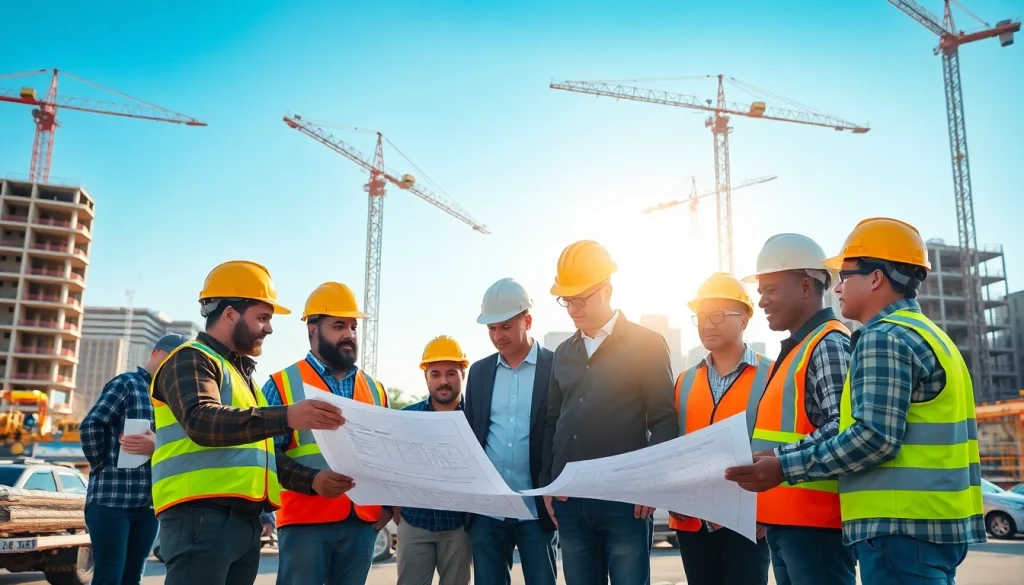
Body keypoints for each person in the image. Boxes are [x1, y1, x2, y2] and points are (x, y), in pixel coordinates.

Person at [726, 217, 986, 585]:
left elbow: (873, 437)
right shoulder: (933, 336)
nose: (837, 287)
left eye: (845, 276)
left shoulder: (884, 337)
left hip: (898, 528)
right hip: (937, 524)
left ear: (876, 278)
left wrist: (784, 466)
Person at [149, 260, 345, 585]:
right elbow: (201, 420)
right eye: (263, 318)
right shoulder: (190, 358)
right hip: (200, 518)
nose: (269, 328)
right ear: (229, 315)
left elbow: (260, 455)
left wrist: (313, 480)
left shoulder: (246, 382)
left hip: (242, 524)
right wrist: (287, 416)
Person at [541, 240, 678, 585]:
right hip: (570, 499)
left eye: (580, 299)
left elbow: (663, 419)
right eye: (566, 300)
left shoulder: (646, 344)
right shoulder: (563, 353)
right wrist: (549, 483)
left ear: (608, 289)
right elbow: (553, 422)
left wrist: (651, 484)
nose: (572, 309)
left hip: (626, 500)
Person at [739, 234, 857, 585]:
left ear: (806, 286)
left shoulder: (828, 345)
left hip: (816, 530)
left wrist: (779, 460)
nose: (761, 302)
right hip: (790, 523)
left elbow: (844, 428)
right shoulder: (798, 349)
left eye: (770, 289)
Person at [262, 282, 393, 585]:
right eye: (338, 326)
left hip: (362, 524)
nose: (349, 334)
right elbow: (265, 456)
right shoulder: (281, 384)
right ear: (312, 330)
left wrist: (387, 506)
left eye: (353, 326)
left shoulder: (376, 390)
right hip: (305, 521)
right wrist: (312, 481)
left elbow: (387, 455)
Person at [668, 273, 772, 585]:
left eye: (717, 315)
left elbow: (781, 446)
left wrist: (768, 512)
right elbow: (675, 447)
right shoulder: (685, 380)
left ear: (744, 319)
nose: (706, 324)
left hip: (748, 522)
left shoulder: (772, 375)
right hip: (693, 521)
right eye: (700, 316)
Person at [463, 278, 557, 585]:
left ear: (527, 321)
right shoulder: (478, 372)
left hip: (536, 508)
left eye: (504, 327)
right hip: (488, 511)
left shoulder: (556, 368)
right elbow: (472, 435)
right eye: (491, 328)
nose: (496, 336)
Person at [80, 333, 188, 585]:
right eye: (171, 359)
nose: (174, 366)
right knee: (110, 576)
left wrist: (157, 446)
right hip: (111, 500)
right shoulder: (127, 384)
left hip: (150, 504)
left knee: (133, 577)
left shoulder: (175, 399)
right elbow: (91, 425)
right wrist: (101, 465)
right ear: (156, 353)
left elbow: (179, 447)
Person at [395, 335, 473, 585]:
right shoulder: (407, 417)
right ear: (426, 376)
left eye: (451, 373)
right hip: (415, 522)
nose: (443, 381)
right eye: (435, 374)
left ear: (463, 373)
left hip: (459, 526)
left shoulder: (477, 417)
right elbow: (393, 467)